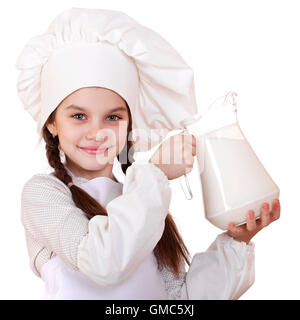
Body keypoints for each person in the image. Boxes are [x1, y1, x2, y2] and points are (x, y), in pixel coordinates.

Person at [16, 8, 280, 300]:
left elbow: (178, 300)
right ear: (51, 123)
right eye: (79, 116)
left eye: (113, 117)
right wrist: (155, 172)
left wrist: (238, 240)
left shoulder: (140, 198)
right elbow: (103, 261)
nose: (96, 132)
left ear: (130, 125)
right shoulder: (44, 195)